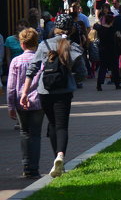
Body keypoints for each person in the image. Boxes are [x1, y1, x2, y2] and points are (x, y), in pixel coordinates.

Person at [24, 14, 88, 178]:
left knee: (52, 124)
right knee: (61, 126)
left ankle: (56, 159)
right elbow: (82, 72)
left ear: (55, 28)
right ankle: (60, 156)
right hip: (64, 91)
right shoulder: (73, 47)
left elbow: (32, 68)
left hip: (44, 91)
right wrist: (73, 78)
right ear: (72, 29)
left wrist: (24, 92)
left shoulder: (43, 44)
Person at [7, 28, 44, 178]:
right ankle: (34, 169)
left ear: (22, 44)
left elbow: (10, 86)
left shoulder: (16, 61)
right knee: (36, 134)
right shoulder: (41, 60)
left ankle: (26, 166)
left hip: (20, 103)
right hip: (38, 102)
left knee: (24, 133)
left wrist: (10, 106)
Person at [93, 11, 121, 90]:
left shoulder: (100, 29)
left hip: (103, 50)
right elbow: (119, 37)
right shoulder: (113, 29)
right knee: (114, 68)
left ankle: (99, 84)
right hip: (112, 50)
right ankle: (117, 84)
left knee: (102, 68)